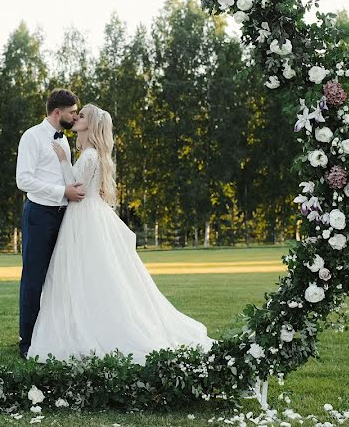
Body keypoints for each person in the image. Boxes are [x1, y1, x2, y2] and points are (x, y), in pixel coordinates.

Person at [26, 103, 215, 364]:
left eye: (81, 117)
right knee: (83, 274)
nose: (76, 119)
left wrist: (61, 160)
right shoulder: (91, 154)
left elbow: (75, 188)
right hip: (86, 215)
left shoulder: (90, 155)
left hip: (82, 216)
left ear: (91, 125)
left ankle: (86, 328)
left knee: (81, 273)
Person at [15, 88, 85, 359]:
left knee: (59, 278)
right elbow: (24, 180)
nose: (74, 116)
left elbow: (66, 176)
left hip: (64, 216)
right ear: (57, 113)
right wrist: (61, 192)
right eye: (71, 112)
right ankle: (27, 342)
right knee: (33, 280)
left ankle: (52, 337)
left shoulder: (64, 141)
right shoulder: (32, 137)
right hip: (40, 215)